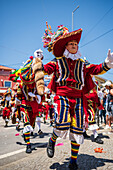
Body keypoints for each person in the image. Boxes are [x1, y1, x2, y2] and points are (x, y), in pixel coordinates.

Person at [33, 23, 113, 170]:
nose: (75, 45)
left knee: (77, 129)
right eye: (71, 43)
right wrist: (38, 62)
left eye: (76, 43)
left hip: (78, 98)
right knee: (62, 122)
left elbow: (96, 69)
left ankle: (73, 161)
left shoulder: (82, 63)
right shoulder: (57, 61)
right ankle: (52, 140)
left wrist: (107, 64)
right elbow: (44, 70)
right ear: (66, 46)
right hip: (62, 96)